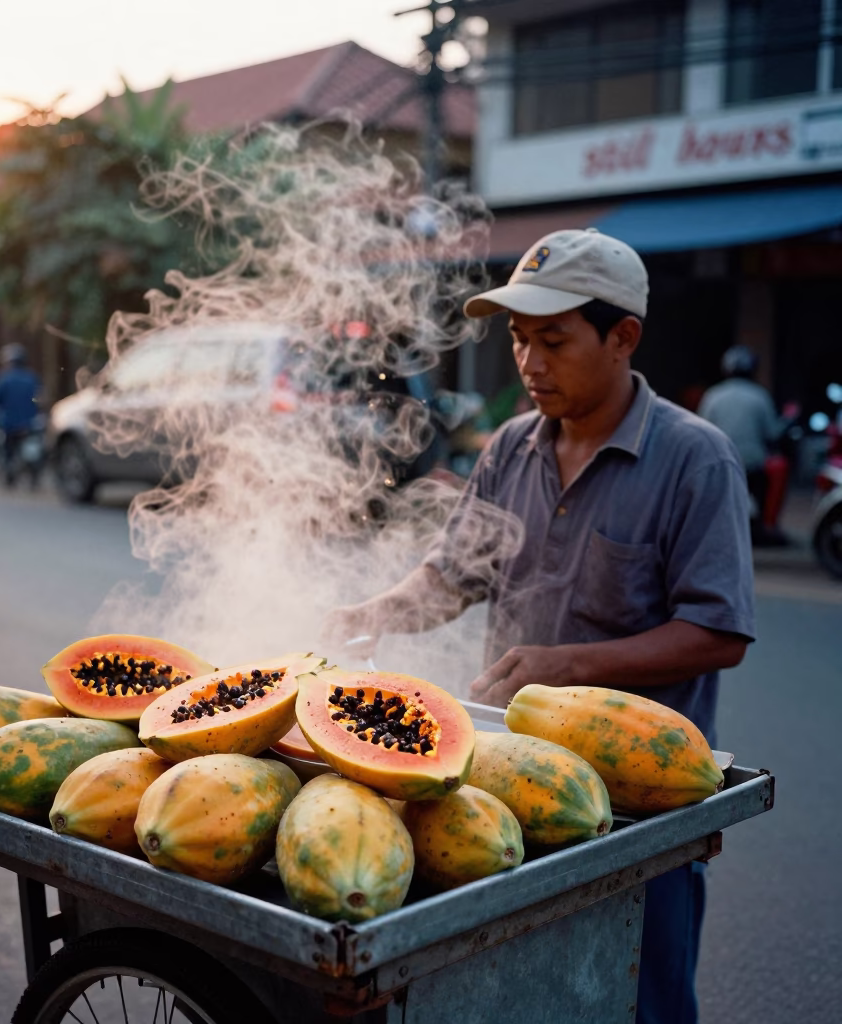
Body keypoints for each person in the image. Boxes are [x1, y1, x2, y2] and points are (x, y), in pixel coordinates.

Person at [323, 228, 756, 1024]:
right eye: (520, 340)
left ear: (623, 336)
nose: (529, 363)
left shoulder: (698, 460)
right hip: (507, 783)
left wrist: (566, 663)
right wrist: (371, 613)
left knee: (640, 1003)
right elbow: (453, 574)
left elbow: (718, 632)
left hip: (639, 812)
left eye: (553, 340)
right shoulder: (510, 447)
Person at [697, 346, 784, 544]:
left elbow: (700, 429)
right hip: (754, 463)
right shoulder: (760, 395)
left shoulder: (713, 395)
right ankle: (764, 525)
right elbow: (772, 432)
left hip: (718, 460)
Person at [0, 343, 42, 486]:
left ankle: (9, 475)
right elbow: (39, 399)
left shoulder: (3, 378)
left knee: (8, 450)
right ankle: (32, 474)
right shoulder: (32, 378)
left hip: (9, 423)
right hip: (29, 423)